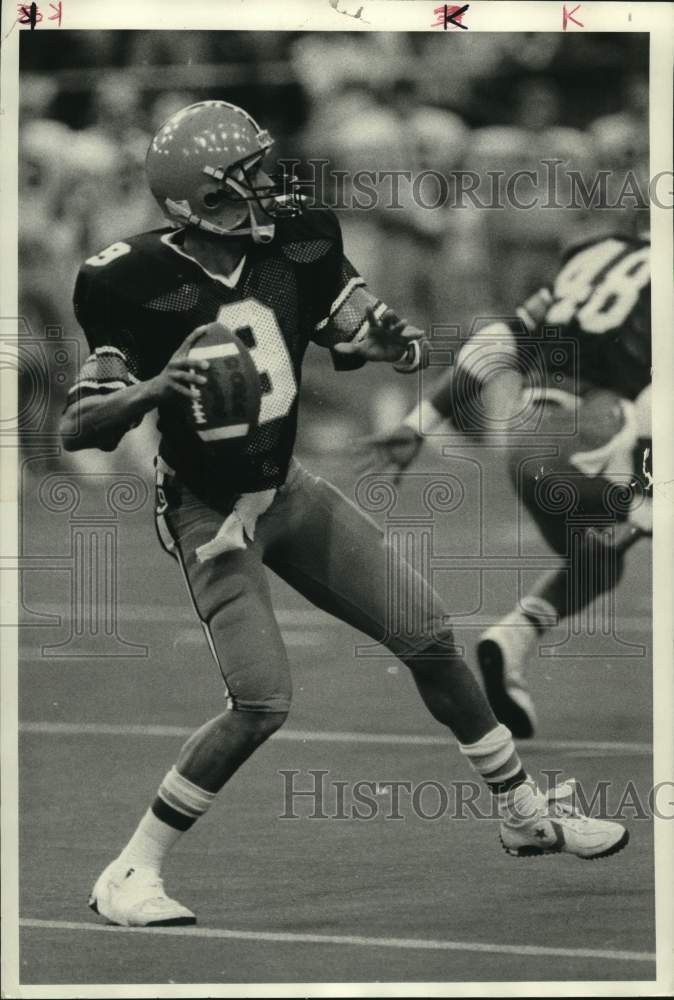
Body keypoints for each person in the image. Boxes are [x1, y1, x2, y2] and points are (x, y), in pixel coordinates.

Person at [60, 101, 628, 928]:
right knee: (261, 701)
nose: (267, 183)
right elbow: (81, 423)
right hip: (208, 511)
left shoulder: (298, 236)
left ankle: (523, 812)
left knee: (429, 636)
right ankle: (129, 870)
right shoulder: (129, 278)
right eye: (245, 176)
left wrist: (385, 336)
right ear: (201, 198)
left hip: (286, 488)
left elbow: (350, 326)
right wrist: (157, 386)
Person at [366, 231, 651, 738]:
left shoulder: (594, 251)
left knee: (599, 562)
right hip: (597, 439)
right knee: (632, 523)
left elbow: (499, 341)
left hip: (529, 443)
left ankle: (512, 638)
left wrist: (419, 423)